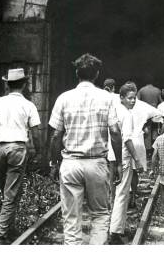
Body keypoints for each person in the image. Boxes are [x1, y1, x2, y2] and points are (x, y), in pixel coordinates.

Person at [49, 53, 123, 245]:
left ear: (76, 73)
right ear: (97, 74)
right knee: (99, 215)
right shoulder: (106, 98)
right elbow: (115, 132)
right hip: (96, 164)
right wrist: (120, 164)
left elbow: (56, 136)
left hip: (71, 164)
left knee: (72, 219)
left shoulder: (63, 98)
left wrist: (54, 162)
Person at [0, 68, 42, 244]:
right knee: (11, 194)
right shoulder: (28, 105)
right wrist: (38, 150)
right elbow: (36, 134)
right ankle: (0, 236)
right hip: (17, 149)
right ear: (24, 84)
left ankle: (9, 228)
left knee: (5, 191)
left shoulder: (0, 101)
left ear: (8, 84)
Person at [108, 83, 147, 244]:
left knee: (112, 193)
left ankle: (110, 227)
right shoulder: (128, 115)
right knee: (122, 194)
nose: (133, 101)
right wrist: (137, 159)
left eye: (135, 98)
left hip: (110, 156)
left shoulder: (114, 110)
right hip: (123, 158)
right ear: (122, 97)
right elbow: (127, 139)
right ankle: (116, 231)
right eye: (130, 98)